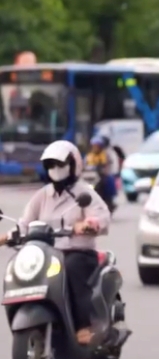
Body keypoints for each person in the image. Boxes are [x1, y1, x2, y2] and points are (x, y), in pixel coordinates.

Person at [0, 141, 111, 344]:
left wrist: (88, 224)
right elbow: (24, 224)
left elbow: (102, 216)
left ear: (73, 165)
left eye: (60, 164)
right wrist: (6, 237)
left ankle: (83, 325)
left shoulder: (83, 193)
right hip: (45, 253)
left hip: (77, 252)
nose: (56, 170)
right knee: (20, 269)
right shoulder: (42, 196)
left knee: (71, 269)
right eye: (51, 165)